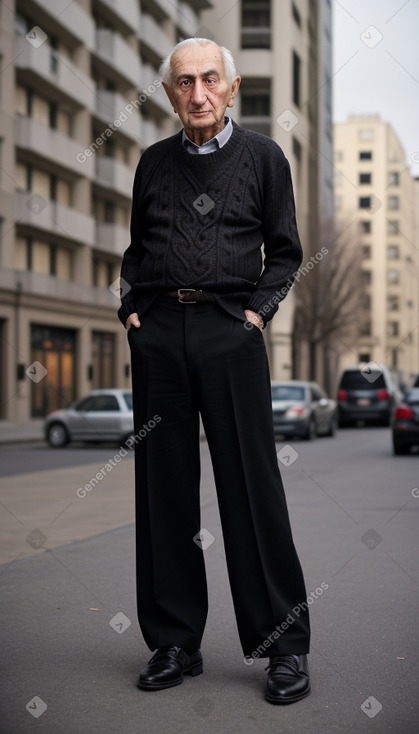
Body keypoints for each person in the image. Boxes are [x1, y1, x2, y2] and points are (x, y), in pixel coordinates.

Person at [118, 37, 311, 705]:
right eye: (182, 83)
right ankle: (174, 640)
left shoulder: (262, 158)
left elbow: (285, 254)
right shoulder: (152, 163)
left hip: (230, 333)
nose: (195, 93)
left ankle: (283, 647)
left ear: (228, 88)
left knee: (251, 493)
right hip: (159, 336)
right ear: (169, 93)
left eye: (208, 80)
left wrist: (255, 316)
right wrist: (130, 308)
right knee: (162, 493)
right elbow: (135, 250)